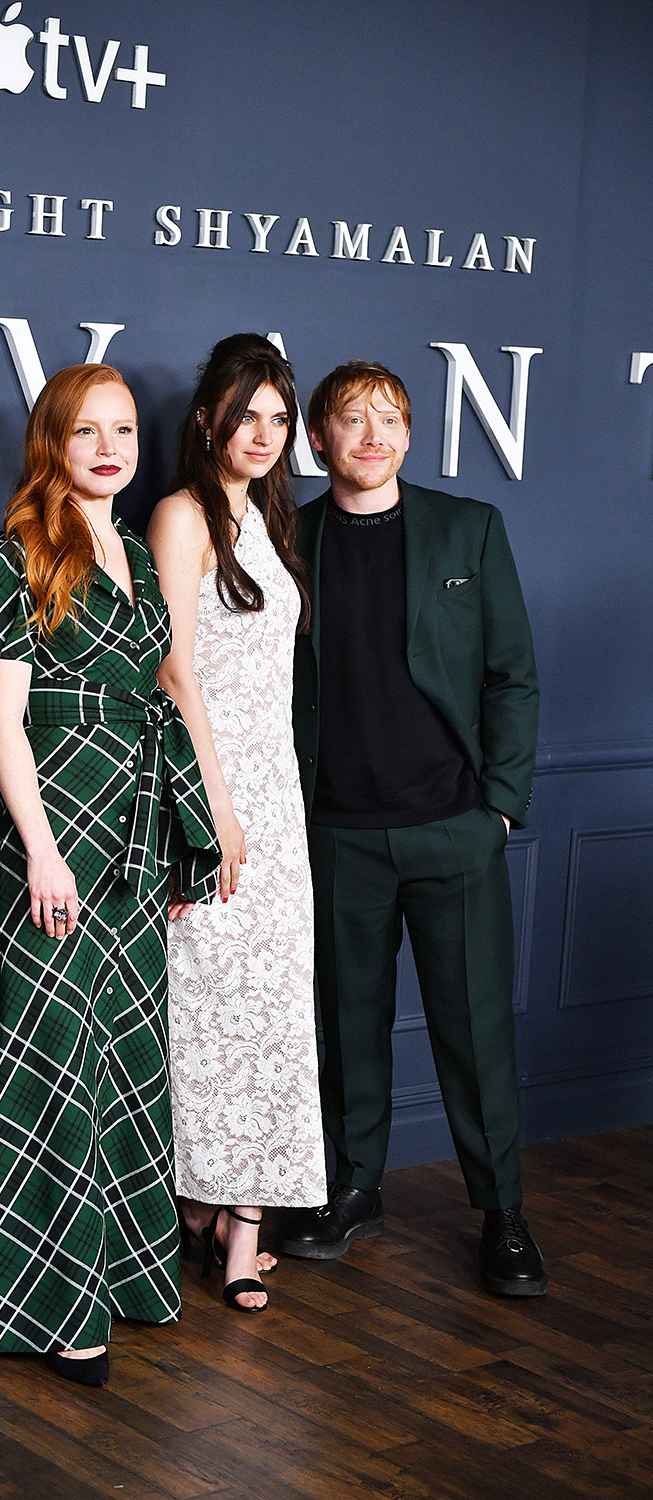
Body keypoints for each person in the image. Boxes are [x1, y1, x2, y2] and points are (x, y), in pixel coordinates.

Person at [0, 363, 218, 1388]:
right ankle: (44, 1305)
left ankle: (121, 1275)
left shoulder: (136, 550)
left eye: (125, 432)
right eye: (87, 431)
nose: (109, 448)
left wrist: (190, 832)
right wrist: (40, 848)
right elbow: (0, 718)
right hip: (51, 826)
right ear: (54, 439)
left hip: (133, 833)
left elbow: (160, 701)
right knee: (45, 1053)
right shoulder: (19, 553)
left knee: (125, 1054)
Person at [281, 359, 547, 1297]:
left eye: (390, 419)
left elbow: (512, 674)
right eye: (351, 421)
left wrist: (500, 808)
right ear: (319, 439)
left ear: (410, 433)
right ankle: (354, 1189)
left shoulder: (469, 528)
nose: (372, 436)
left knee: (474, 1030)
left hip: (451, 827)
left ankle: (502, 1212)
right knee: (346, 1029)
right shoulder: (288, 540)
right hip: (338, 835)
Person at [147, 334, 326, 1314]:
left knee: (271, 1016)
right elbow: (172, 667)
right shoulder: (182, 514)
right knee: (203, 1012)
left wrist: (256, 802)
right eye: (245, 414)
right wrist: (213, 804)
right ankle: (196, 1197)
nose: (262, 433)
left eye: (277, 418)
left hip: (279, 797)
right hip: (206, 790)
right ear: (208, 418)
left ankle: (245, 1227)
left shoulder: (270, 518)